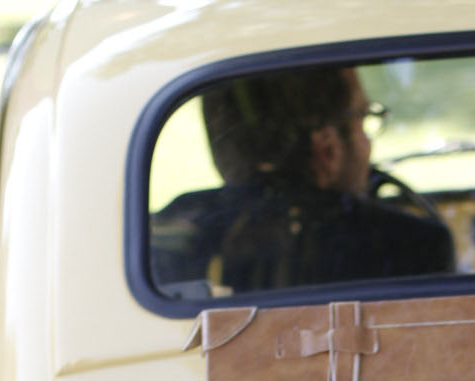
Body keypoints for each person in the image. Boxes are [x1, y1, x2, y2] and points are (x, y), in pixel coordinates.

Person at [152, 63, 453, 296]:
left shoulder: (165, 237)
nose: (367, 142)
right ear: (328, 148)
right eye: (362, 118)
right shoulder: (414, 244)